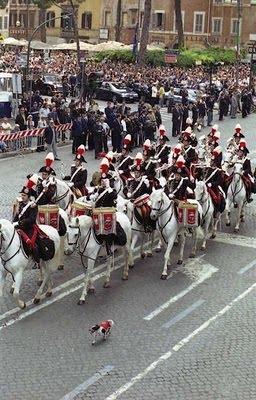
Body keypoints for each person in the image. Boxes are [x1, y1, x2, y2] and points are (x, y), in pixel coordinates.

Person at [13, 185, 39, 263]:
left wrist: (20, 222)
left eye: (24, 195)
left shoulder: (32, 205)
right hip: (19, 226)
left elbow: (31, 219)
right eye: (21, 195)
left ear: (29, 196)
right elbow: (17, 216)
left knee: (31, 243)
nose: (22, 196)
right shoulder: (20, 204)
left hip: (29, 228)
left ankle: (36, 260)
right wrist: (13, 222)